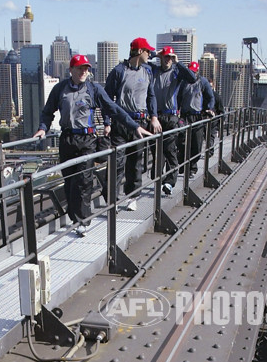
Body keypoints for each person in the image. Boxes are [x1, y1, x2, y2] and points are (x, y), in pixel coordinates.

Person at [34, 54, 149, 233]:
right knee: (70, 181)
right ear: (71, 69)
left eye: (86, 69)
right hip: (67, 139)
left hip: (87, 140)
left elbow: (113, 108)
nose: (83, 72)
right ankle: (75, 217)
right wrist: (43, 128)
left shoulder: (93, 89)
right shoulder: (60, 89)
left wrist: (134, 126)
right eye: (80, 68)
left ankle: (82, 221)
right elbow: (48, 111)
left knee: (83, 181)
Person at [104, 37, 162, 211]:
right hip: (121, 122)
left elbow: (151, 96)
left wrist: (154, 117)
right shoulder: (119, 71)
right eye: (147, 51)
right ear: (139, 52)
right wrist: (107, 122)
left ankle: (132, 196)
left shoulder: (147, 72)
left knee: (135, 161)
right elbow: (107, 98)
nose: (150, 54)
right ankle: (112, 200)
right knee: (117, 162)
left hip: (140, 122)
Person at [150, 46, 196, 195]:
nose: (168, 60)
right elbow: (140, 63)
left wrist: (178, 62)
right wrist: (155, 54)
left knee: (169, 150)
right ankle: (158, 178)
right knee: (156, 151)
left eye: (170, 57)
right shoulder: (154, 70)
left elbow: (192, 78)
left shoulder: (176, 72)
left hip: (171, 117)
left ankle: (170, 182)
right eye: (165, 57)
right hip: (156, 117)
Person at [179, 62, 215, 175]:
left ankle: (192, 166)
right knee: (183, 142)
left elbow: (211, 97)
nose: (192, 74)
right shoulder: (183, 82)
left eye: (194, 72)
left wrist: (209, 108)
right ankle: (184, 166)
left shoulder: (203, 82)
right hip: (185, 116)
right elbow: (177, 97)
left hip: (198, 116)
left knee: (197, 144)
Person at [207, 78, 224, 158]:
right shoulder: (203, 95)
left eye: (210, 87)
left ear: (213, 87)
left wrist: (220, 125)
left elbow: (221, 111)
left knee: (210, 137)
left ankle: (210, 152)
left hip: (213, 120)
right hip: (203, 119)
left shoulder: (217, 97)